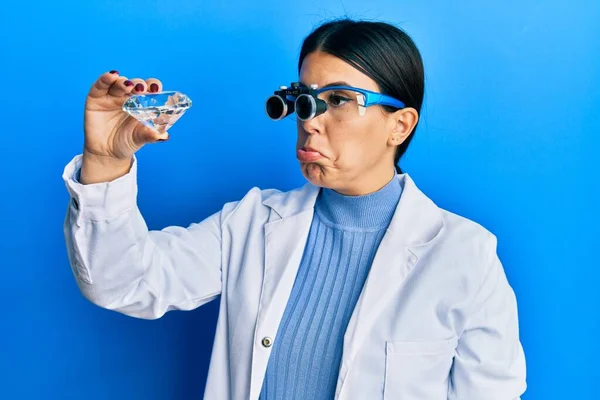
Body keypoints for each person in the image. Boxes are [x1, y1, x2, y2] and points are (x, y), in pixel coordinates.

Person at [62, 18, 527, 400]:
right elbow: (119, 282)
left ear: (399, 125)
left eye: (340, 100)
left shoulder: (465, 256)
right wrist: (106, 158)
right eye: (303, 100)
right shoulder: (250, 225)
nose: (310, 121)